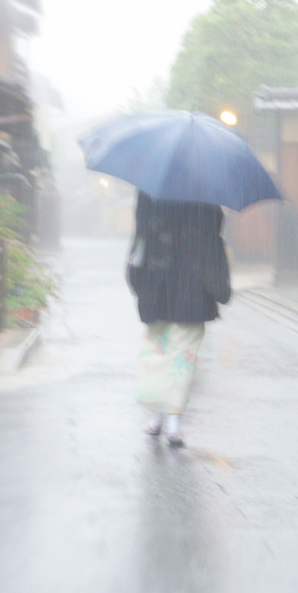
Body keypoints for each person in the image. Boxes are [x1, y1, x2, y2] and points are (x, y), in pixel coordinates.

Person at [126, 191, 231, 447]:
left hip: (156, 282)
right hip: (192, 287)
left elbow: (141, 233)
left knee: (157, 352)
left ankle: (155, 416)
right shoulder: (205, 191)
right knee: (183, 356)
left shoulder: (151, 189)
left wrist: (139, 279)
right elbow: (213, 235)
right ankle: (174, 422)